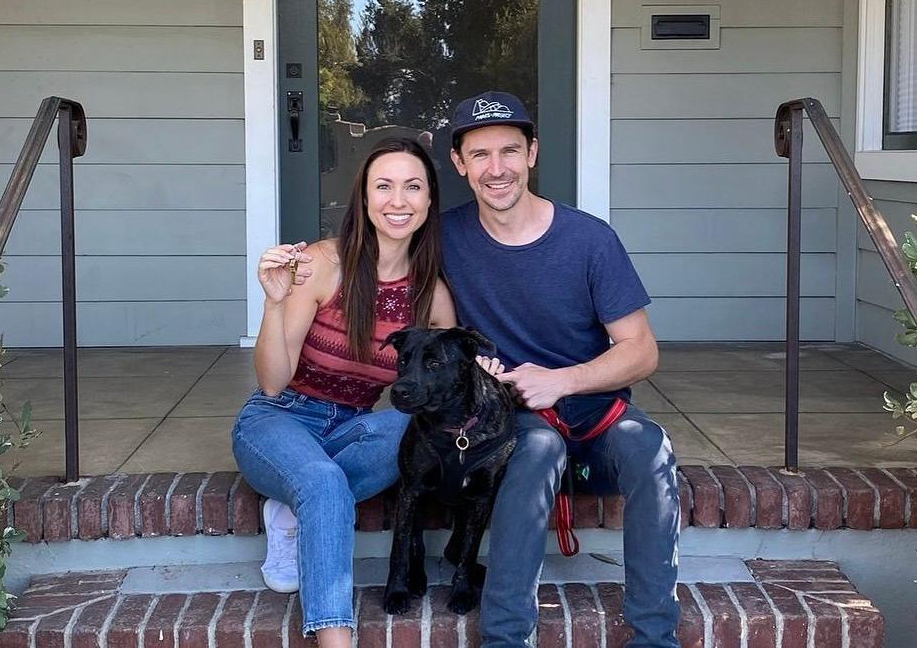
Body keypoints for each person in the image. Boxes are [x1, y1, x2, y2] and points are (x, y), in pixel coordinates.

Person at [441, 91, 680, 647]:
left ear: (533, 154)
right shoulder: (445, 236)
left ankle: (655, 636)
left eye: (509, 151)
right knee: (537, 451)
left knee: (650, 448)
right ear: (459, 164)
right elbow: (413, 291)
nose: (496, 168)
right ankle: (505, 637)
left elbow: (641, 350)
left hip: (598, 413)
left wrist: (562, 380)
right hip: (517, 419)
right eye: (479, 155)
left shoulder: (589, 239)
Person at [231, 137, 456, 646]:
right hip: (279, 417)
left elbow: (443, 392)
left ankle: (293, 508)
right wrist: (273, 304)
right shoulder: (322, 264)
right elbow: (271, 380)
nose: (397, 200)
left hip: (352, 424)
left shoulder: (432, 296)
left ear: (428, 201)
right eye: (384, 186)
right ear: (365, 198)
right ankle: (336, 638)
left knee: (410, 427)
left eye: (412, 187)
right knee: (324, 482)